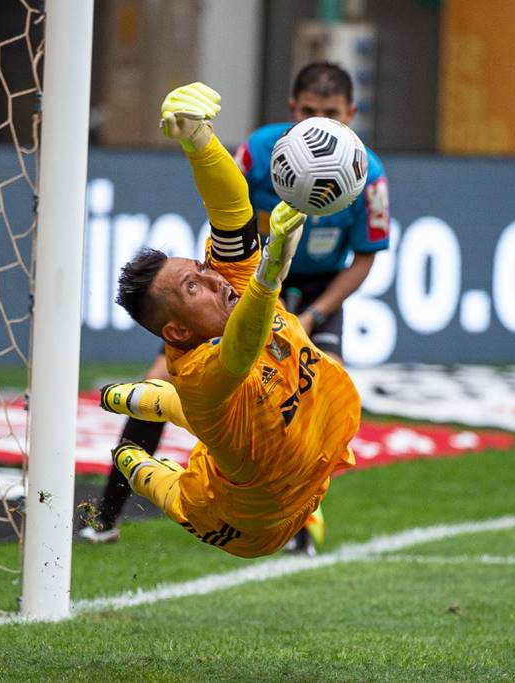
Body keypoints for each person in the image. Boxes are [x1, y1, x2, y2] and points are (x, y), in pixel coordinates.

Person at [79, 62, 388, 552]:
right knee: (161, 453)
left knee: (177, 401)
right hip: (238, 519)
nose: (212, 277)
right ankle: (112, 501)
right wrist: (268, 279)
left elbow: (230, 210)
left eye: (201, 269)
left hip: (309, 295)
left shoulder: (227, 282)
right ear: (177, 331)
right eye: (193, 286)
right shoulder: (202, 366)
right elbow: (242, 347)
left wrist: (198, 140)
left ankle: (135, 401)